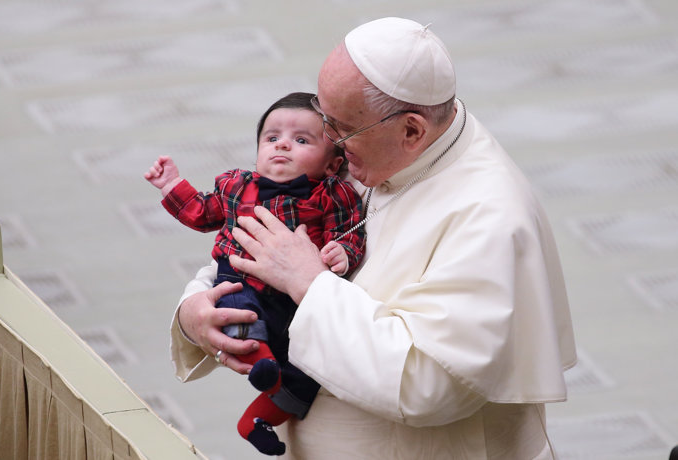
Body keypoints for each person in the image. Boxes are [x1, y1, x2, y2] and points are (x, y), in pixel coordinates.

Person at [170, 17, 576, 459]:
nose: (329, 142)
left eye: (341, 128)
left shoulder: (488, 215)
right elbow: (265, 241)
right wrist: (195, 311)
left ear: (412, 130)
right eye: (324, 119)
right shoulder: (371, 148)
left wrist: (309, 284)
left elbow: (429, 384)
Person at [145, 92, 366, 456]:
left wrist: (342, 252)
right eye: (271, 137)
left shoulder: (333, 194)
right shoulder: (236, 185)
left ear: (331, 165)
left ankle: (257, 420)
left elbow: (349, 231)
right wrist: (171, 185)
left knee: (310, 369)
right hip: (241, 277)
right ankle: (260, 361)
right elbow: (201, 212)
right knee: (237, 309)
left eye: (301, 140)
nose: (282, 145)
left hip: (295, 298)